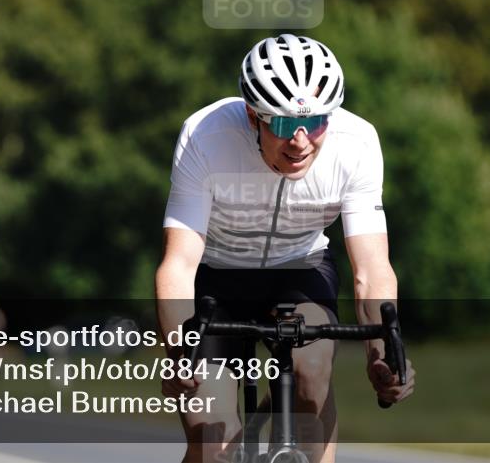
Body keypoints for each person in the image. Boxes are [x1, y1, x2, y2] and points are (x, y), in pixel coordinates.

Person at [156, 34, 416, 463]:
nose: (300, 141)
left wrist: (382, 355)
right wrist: (179, 356)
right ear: (252, 116)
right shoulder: (206, 135)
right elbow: (178, 265)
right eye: (281, 125)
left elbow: (371, 269)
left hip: (301, 269)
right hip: (216, 276)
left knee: (311, 371)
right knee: (212, 445)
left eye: (315, 123)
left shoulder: (357, 143)